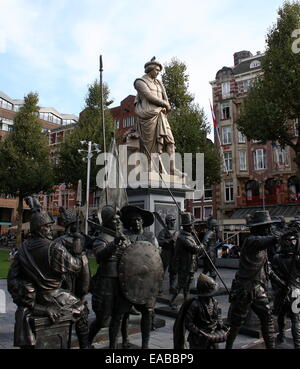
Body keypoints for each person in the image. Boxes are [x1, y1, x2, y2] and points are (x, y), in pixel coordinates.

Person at [7, 197, 85, 349]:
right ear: (40, 228)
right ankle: (85, 345)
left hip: (33, 300)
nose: (50, 230)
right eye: (48, 227)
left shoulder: (23, 248)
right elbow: (76, 267)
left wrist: (26, 297)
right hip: (54, 296)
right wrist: (78, 251)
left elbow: (12, 279)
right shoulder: (55, 248)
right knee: (82, 308)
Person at [226, 210, 286, 349]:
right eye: (267, 226)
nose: (270, 229)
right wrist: (281, 236)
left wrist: (281, 283)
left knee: (267, 319)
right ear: (258, 228)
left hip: (258, 289)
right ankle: (228, 346)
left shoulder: (262, 247)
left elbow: (268, 269)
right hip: (244, 289)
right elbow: (270, 240)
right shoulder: (251, 241)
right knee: (236, 323)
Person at [88, 205, 131, 349]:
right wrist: (114, 243)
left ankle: (113, 347)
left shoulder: (124, 238)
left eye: (119, 218)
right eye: (114, 219)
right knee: (102, 319)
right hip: (106, 283)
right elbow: (100, 256)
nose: (118, 221)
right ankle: (86, 342)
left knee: (118, 317)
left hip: (121, 282)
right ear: (107, 221)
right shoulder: (101, 239)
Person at [120, 205, 162, 349]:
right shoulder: (125, 235)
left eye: (138, 220)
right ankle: (125, 339)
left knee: (147, 312)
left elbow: (156, 257)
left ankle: (145, 344)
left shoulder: (150, 237)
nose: (136, 223)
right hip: (128, 279)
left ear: (143, 221)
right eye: (133, 220)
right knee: (125, 312)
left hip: (146, 281)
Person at [134, 57, 183, 177]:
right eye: (156, 70)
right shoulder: (140, 82)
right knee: (151, 145)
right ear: (150, 69)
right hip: (148, 116)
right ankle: (150, 168)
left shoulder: (159, 83)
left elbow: (165, 97)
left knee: (170, 141)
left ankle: (172, 169)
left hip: (161, 115)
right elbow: (148, 96)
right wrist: (164, 104)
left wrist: (167, 104)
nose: (158, 73)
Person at [55, 207, 91, 349]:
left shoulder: (82, 239)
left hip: (79, 281)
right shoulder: (60, 241)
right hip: (66, 281)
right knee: (68, 316)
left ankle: (84, 345)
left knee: (81, 318)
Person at [173, 273, 227, 349]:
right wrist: (199, 332)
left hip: (213, 336)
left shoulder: (214, 302)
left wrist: (221, 324)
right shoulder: (195, 305)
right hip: (198, 339)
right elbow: (188, 323)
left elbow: (217, 316)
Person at [271, 230, 300, 349]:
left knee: (281, 316)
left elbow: (273, 275)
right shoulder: (298, 258)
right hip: (296, 292)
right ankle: (297, 344)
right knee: (295, 319)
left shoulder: (276, 258)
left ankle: (281, 335)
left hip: (281, 292)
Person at [169, 212, 204, 309]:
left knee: (188, 285)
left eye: (192, 225)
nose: (192, 227)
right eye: (190, 225)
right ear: (186, 226)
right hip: (184, 266)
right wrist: (201, 246)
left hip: (191, 265)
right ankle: (172, 302)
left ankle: (185, 301)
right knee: (180, 285)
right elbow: (193, 248)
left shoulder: (189, 235)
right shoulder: (182, 237)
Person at [157, 213, 178, 294]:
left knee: (173, 271)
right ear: (168, 222)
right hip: (166, 253)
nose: (173, 222)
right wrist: (168, 240)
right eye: (172, 221)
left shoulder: (176, 232)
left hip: (174, 253)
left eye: (174, 221)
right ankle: (159, 287)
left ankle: (172, 287)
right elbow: (159, 241)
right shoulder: (163, 231)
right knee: (162, 270)